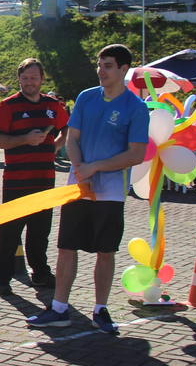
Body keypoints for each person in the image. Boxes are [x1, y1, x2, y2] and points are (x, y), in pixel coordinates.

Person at [28, 44, 149, 335]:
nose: (101, 71)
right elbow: (72, 139)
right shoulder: (86, 98)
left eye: (108, 65)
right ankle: (59, 307)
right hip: (77, 188)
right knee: (66, 247)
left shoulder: (136, 108)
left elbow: (135, 154)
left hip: (110, 193)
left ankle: (100, 309)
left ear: (123, 70)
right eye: (99, 64)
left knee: (105, 251)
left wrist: (96, 168)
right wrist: (80, 168)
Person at [0, 58, 70, 298]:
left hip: (44, 178)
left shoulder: (53, 105)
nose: (29, 82)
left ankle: (40, 273)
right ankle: (2, 277)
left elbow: (67, 127)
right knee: (9, 232)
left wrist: (56, 145)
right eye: (25, 78)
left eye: (34, 78)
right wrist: (25, 139)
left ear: (41, 79)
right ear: (19, 80)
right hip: (16, 180)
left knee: (40, 231)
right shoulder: (8, 106)